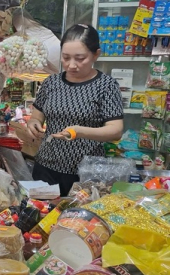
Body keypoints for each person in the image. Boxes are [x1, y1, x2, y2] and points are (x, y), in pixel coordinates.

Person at [27, 24, 123, 196]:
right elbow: (37, 115)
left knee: (77, 220)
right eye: (66, 58)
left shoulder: (106, 86)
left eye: (80, 58)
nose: (71, 65)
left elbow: (115, 130)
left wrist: (79, 132)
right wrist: (33, 123)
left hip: (85, 174)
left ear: (96, 54)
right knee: (42, 217)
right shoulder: (51, 82)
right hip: (46, 167)